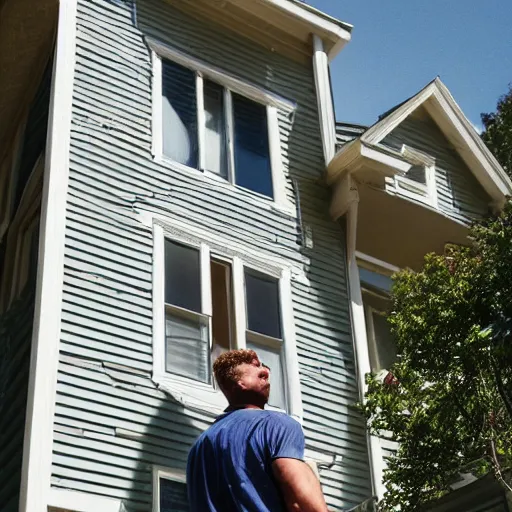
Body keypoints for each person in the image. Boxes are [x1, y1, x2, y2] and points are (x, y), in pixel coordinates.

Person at [187, 349, 329, 512]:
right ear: (240, 382)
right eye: (256, 367)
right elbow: (302, 504)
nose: (265, 371)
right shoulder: (276, 424)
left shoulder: (199, 448)